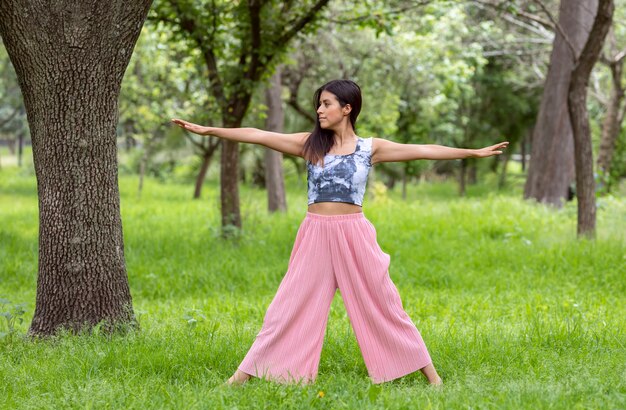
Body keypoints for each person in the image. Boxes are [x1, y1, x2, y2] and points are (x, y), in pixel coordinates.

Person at [172, 79, 508, 386]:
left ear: (347, 108)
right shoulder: (310, 145)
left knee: (384, 303)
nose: (320, 109)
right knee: (287, 304)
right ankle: (241, 377)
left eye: (327, 103)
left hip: (354, 235)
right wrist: (209, 131)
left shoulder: (369, 148)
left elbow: (424, 149)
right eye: (319, 104)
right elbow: (258, 135)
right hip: (315, 234)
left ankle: (433, 378)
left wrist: (472, 152)